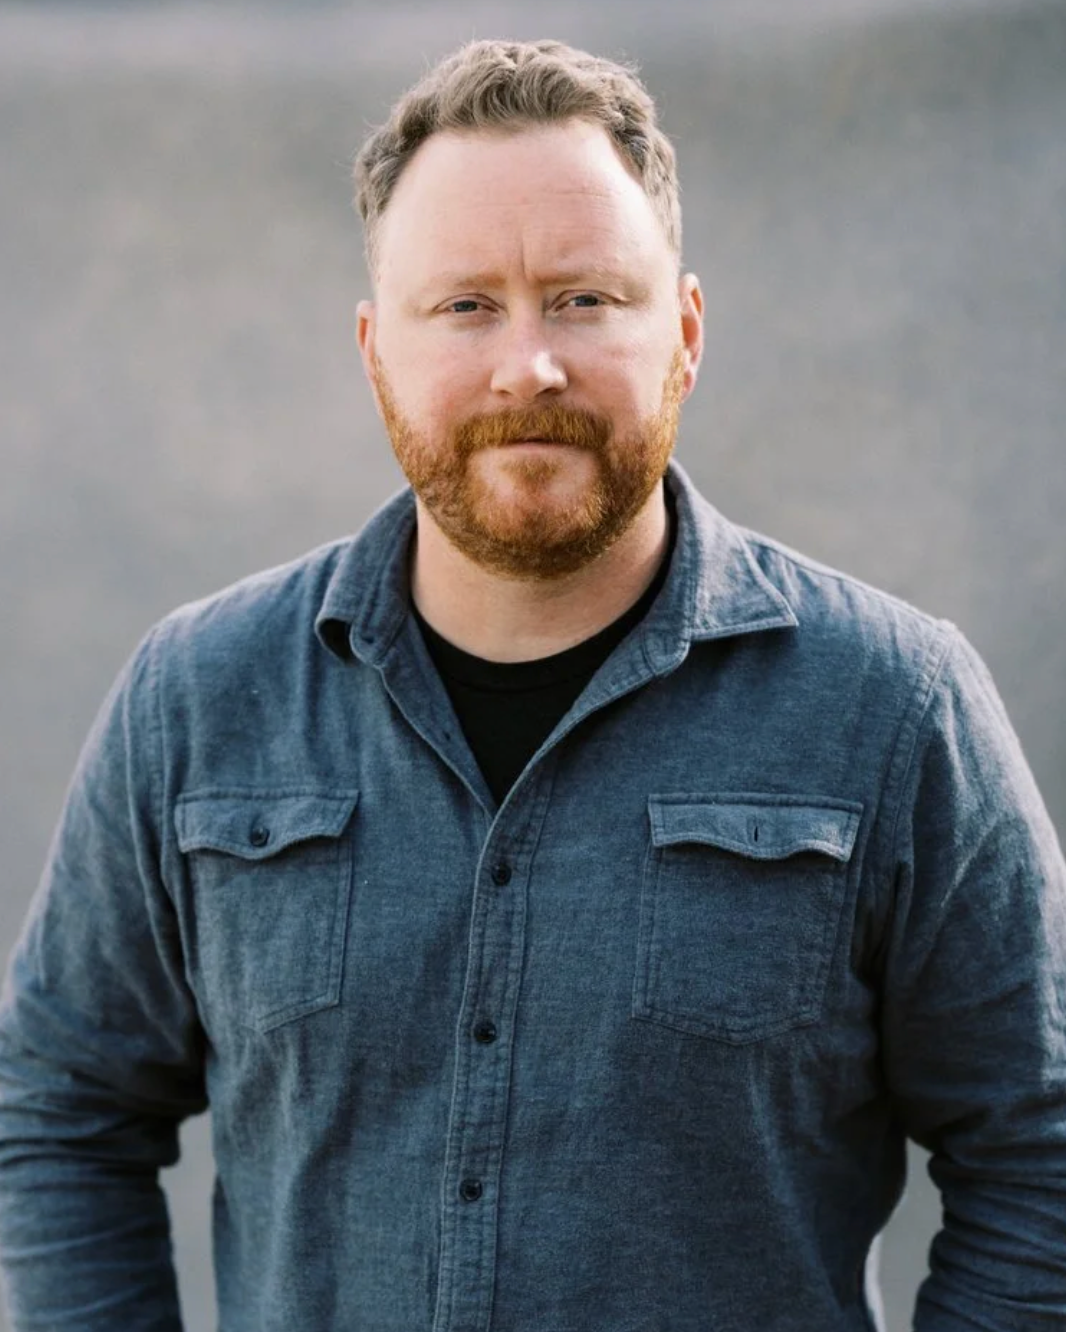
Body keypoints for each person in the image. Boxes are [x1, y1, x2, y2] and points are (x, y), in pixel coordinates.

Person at [0, 37, 1064, 1332]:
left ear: (680, 331)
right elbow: (56, 1110)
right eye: (463, 306)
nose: (527, 366)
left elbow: (1038, 1155)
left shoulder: (895, 711)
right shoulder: (196, 702)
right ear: (372, 348)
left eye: (581, 299)